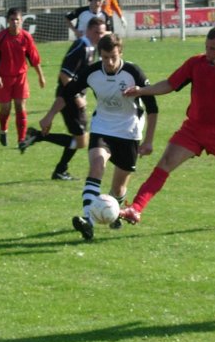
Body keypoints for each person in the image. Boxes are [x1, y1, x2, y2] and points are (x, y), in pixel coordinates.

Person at [118, 25, 215, 226]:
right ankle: (136, 209)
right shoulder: (196, 63)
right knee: (165, 164)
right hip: (193, 129)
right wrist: (142, 91)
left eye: (213, 48)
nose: (208, 52)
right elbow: (169, 84)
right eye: (206, 47)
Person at [39, 33, 158, 240]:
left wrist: (148, 140)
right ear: (99, 56)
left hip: (129, 131)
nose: (109, 62)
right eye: (104, 57)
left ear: (120, 52)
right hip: (103, 126)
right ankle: (88, 221)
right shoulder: (92, 72)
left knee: (118, 187)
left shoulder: (133, 72)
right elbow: (67, 93)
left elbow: (153, 107)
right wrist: (49, 116)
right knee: (97, 165)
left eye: (113, 56)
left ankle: (113, 213)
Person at [19, 17, 107, 180]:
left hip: (70, 97)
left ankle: (59, 168)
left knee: (79, 140)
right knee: (81, 141)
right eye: (97, 32)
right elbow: (65, 75)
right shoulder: (81, 46)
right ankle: (39, 139)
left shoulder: (92, 47)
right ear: (88, 31)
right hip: (70, 98)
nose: (100, 36)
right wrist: (77, 96)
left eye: (102, 33)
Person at [0, 7, 46, 148]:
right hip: (4, 78)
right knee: (5, 109)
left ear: (22, 21)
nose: (15, 22)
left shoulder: (26, 37)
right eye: (12, 20)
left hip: (21, 77)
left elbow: (34, 59)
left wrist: (41, 76)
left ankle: (21, 139)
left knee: (20, 106)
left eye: (17, 20)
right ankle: (3, 130)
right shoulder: (0, 37)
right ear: (7, 21)